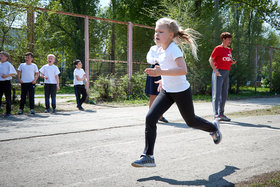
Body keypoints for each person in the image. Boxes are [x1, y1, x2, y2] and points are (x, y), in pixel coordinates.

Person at [131, 18, 222, 168]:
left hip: (181, 91)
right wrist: (163, 78)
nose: (156, 34)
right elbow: (167, 68)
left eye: (161, 32)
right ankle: (148, 156)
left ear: (171, 35)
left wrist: (161, 72)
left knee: (191, 121)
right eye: (155, 31)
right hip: (167, 91)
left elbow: (182, 70)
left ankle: (213, 128)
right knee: (150, 118)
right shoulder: (159, 50)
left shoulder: (174, 49)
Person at [209, 32, 236, 121]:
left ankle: (221, 114)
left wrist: (232, 62)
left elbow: (227, 60)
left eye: (230, 39)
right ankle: (216, 114)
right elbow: (211, 60)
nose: (230, 41)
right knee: (217, 94)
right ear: (223, 39)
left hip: (226, 73)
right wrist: (215, 70)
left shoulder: (229, 50)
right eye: (228, 39)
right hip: (219, 72)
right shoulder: (218, 48)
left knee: (224, 94)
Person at [145, 42, 168, 123]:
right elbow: (149, 59)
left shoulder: (167, 47)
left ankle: (160, 116)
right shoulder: (153, 48)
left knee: (163, 95)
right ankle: (152, 116)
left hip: (164, 70)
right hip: (154, 70)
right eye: (156, 36)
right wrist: (156, 60)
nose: (157, 37)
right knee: (153, 95)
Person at [0, 51, 17, 117]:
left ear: (6, 57)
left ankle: (8, 112)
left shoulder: (8, 64)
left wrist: (6, 76)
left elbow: (14, 73)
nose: (1, 57)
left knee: (8, 97)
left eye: (2, 56)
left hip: (6, 82)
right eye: (0, 56)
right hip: (0, 82)